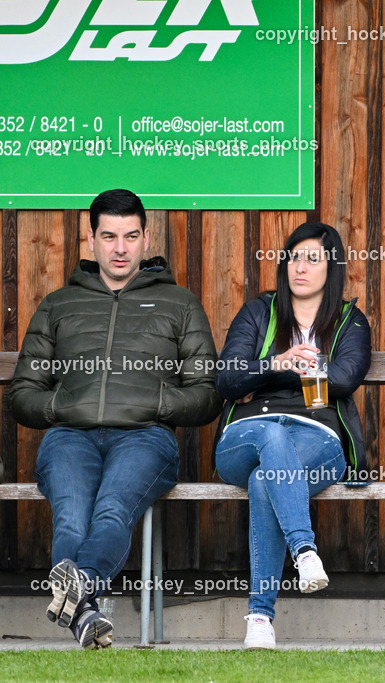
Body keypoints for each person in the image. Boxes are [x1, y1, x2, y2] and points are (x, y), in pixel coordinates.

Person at [10, 189, 220, 649]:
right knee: (71, 517)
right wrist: (62, 407)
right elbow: (22, 395)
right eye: (109, 236)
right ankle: (85, 612)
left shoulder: (179, 304)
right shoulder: (58, 305)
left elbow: (207, 396)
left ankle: (78, 595)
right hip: (71, 436)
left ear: (146, 238)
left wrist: (157, 402)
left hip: (146, 437)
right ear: (91, 240)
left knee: (111, 509)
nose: (119, 248)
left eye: (129, 236)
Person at [214, 222, 371, 650]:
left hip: (317, 439)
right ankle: (305, 550)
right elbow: (227, 377)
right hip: (244, 438)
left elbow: (344, 377)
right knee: (270, 433)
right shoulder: (258, 312)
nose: (298, 267)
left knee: (268, 478)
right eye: (293, 257)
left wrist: (258, 376)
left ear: (331, 267)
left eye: (312, 258)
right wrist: (280, 363)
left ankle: (260, 617)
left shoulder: (348, 321)